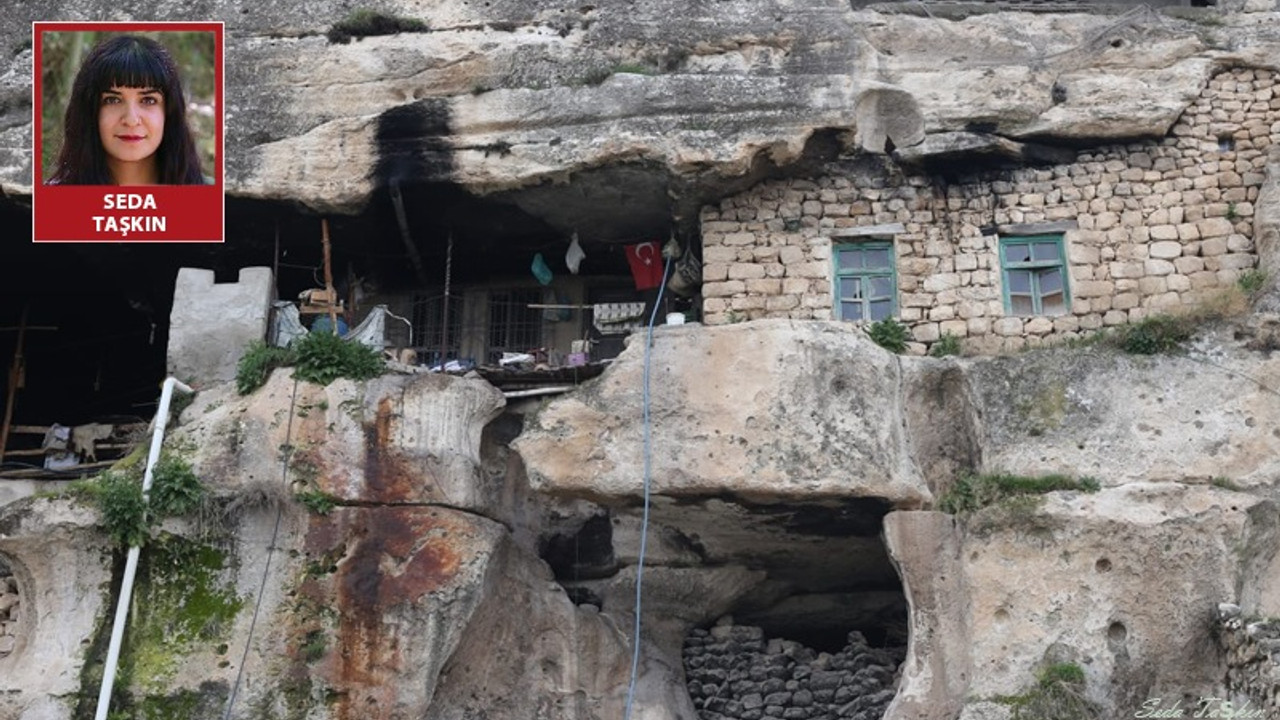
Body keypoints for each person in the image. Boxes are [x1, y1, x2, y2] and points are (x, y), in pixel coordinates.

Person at [48, 35, 205, 185]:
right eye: (113, 100)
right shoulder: (47, 204)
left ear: (169, 113)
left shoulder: (213, 202)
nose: (131, 120)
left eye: (148, 100)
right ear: (90, 111)